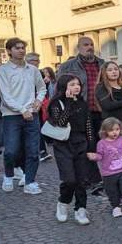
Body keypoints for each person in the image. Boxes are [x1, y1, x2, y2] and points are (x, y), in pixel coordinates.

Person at [0, 38, 46, 195]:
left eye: (23, 48)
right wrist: (21, 110)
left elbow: (42, 88)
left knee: (33, 151)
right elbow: (5, 96)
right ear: (9, 51)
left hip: (32, 115)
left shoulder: (32, 69)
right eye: (17, 48)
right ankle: (9, 175)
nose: (21, 50)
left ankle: (30, 181)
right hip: (12, 115)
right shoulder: (3, 71)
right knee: (11, 150)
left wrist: (38, 101)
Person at [57, 36, 105, 192]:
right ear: (78, 47)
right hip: (80, 111)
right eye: (85, 44)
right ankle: (92, 179)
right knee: (87, 145)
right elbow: (60, 88)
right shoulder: (69, 66)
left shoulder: (102, 64)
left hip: (101, 110)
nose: (89, 47)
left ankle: (105, 176)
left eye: (91, 44)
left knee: (103, 144)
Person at [49, 74, 95, 225]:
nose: (76, 87)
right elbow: (60, 123)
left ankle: (80, 209)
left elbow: (88, 126)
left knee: (82, 180)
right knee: (69, 180)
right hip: (63, 145)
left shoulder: (83, 103)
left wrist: (91, 147)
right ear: (64, 87)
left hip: (80, 143)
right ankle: (63, 202)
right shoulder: (56, 103)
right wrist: (68, 103)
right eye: (72, 84)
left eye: (78, 84)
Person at [39, 67, 56, 162]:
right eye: (44, 72)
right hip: (46, 103)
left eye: (46, 72)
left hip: (50, 102)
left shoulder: (53, 81)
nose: (45, 73)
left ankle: (49, 140)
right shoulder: (44, 81)